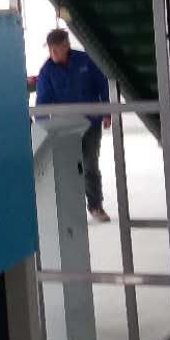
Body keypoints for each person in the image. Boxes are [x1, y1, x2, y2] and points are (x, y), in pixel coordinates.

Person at [35, 28, 112, 224]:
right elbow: (42, 103)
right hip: (65, 128)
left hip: (91, 122)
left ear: (66, 46)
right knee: (68, 168)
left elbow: (102, 84)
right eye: (50, 49)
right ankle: (71, 210)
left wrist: (106, 112)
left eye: (56, 49)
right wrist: (42, 130)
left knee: (90, 164)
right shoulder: (47, 72)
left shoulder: (85, 60)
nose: (52, 53)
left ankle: (95, 206)